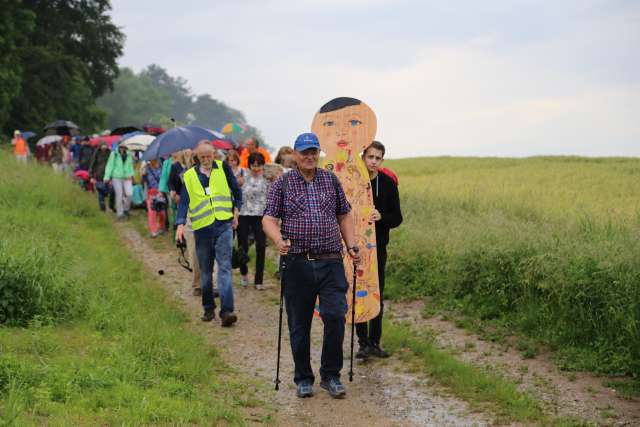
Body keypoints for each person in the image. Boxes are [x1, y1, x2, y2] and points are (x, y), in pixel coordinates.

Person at [262, 132, 361, 399]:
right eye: (304, 152)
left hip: (331, 262)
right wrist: (278, 239)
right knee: (299, 323)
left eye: (314, 151)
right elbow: (269, 219)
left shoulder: (330, 180)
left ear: (319, 153)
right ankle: (303, 378)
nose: (309, 156)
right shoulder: (282, 184)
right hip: (297, 263)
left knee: (335, 316)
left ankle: (331, 375)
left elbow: (344, 214)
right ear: (294, 154)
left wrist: (351, 244)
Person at [175, 140, 243, 327]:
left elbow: (237, 191)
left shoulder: (223, 168)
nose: (206, 160)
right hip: (202, 229)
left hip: (223, 225)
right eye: (202, 157)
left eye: (209, 156)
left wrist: (236, 211)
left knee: (224, 269)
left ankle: (227, 311)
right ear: (197, 157)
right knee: (205, 272)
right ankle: (208, 308)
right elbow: (183, 203)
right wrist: (180, 224)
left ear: (214, 154)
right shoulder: (189, 176)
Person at [355, 141, 403, 359]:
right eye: (370, 157)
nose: (373, 161)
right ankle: (362, 343)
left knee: (376, 293)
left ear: (382, 160)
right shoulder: (354, 182)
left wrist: (381, 216)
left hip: (379, 248)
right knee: (358, 293)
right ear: (363, 157)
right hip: (356, 248)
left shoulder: (388, 184)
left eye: (378, 158)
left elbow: (397, 218)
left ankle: (375, 342)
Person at [238, 152, 269, 290]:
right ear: (249, 165)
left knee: (261, 246)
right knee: (243, 247)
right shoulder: (242, 179)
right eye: (253, 165)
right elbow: (236, 195)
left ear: (262, 166)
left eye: (258, 165)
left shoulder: (267, 180)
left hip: (260, 216)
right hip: (244, 215)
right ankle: (243, 274)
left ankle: (259, 280)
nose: (256, 168)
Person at [104, 144, 134, 220]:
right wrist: (107, 177)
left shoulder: (129, 154)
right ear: (119, 146)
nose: (123, 148)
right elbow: (109, 165)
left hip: (127, 177)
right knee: (119, 195)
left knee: (129, 194)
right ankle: (120, 214)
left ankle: (126, 209)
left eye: (124, 146)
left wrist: (131, 175)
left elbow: (130, 165)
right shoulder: (114, 154)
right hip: (116, 177)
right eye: (121, 146)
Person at [142, 159, 166, 237]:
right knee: (152, 212)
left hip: (160, 192)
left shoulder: (161, 168)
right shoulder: (147, 169)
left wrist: (162, 191)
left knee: (161, 212)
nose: (153, 160)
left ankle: (161, 228)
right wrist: (143, 174)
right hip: (151, 193)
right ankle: (153, 231)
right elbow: (143, 182)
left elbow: (164, 179)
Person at [89, 141, 114, 212]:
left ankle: (111, 206)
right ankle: (102, 208)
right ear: (100, 146)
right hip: (99, 175)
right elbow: (92, 165)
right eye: (102, 146)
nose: (104, 147)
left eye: (105, 145)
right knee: (100, 191)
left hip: (109, 175)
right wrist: (91, 176)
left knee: (112, 191)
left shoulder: (110, 153)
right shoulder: (96, 153)